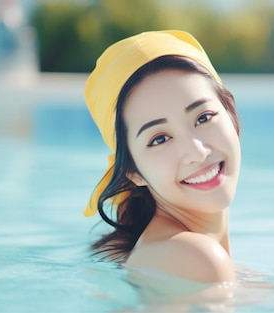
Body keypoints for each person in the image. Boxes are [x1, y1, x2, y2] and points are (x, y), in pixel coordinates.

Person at [83, 30, 241, 284]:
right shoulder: (198, 261)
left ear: (231, 115)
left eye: (203, 118)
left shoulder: (172, 257)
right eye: (160, 139)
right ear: (131, 171)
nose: (197, 152)